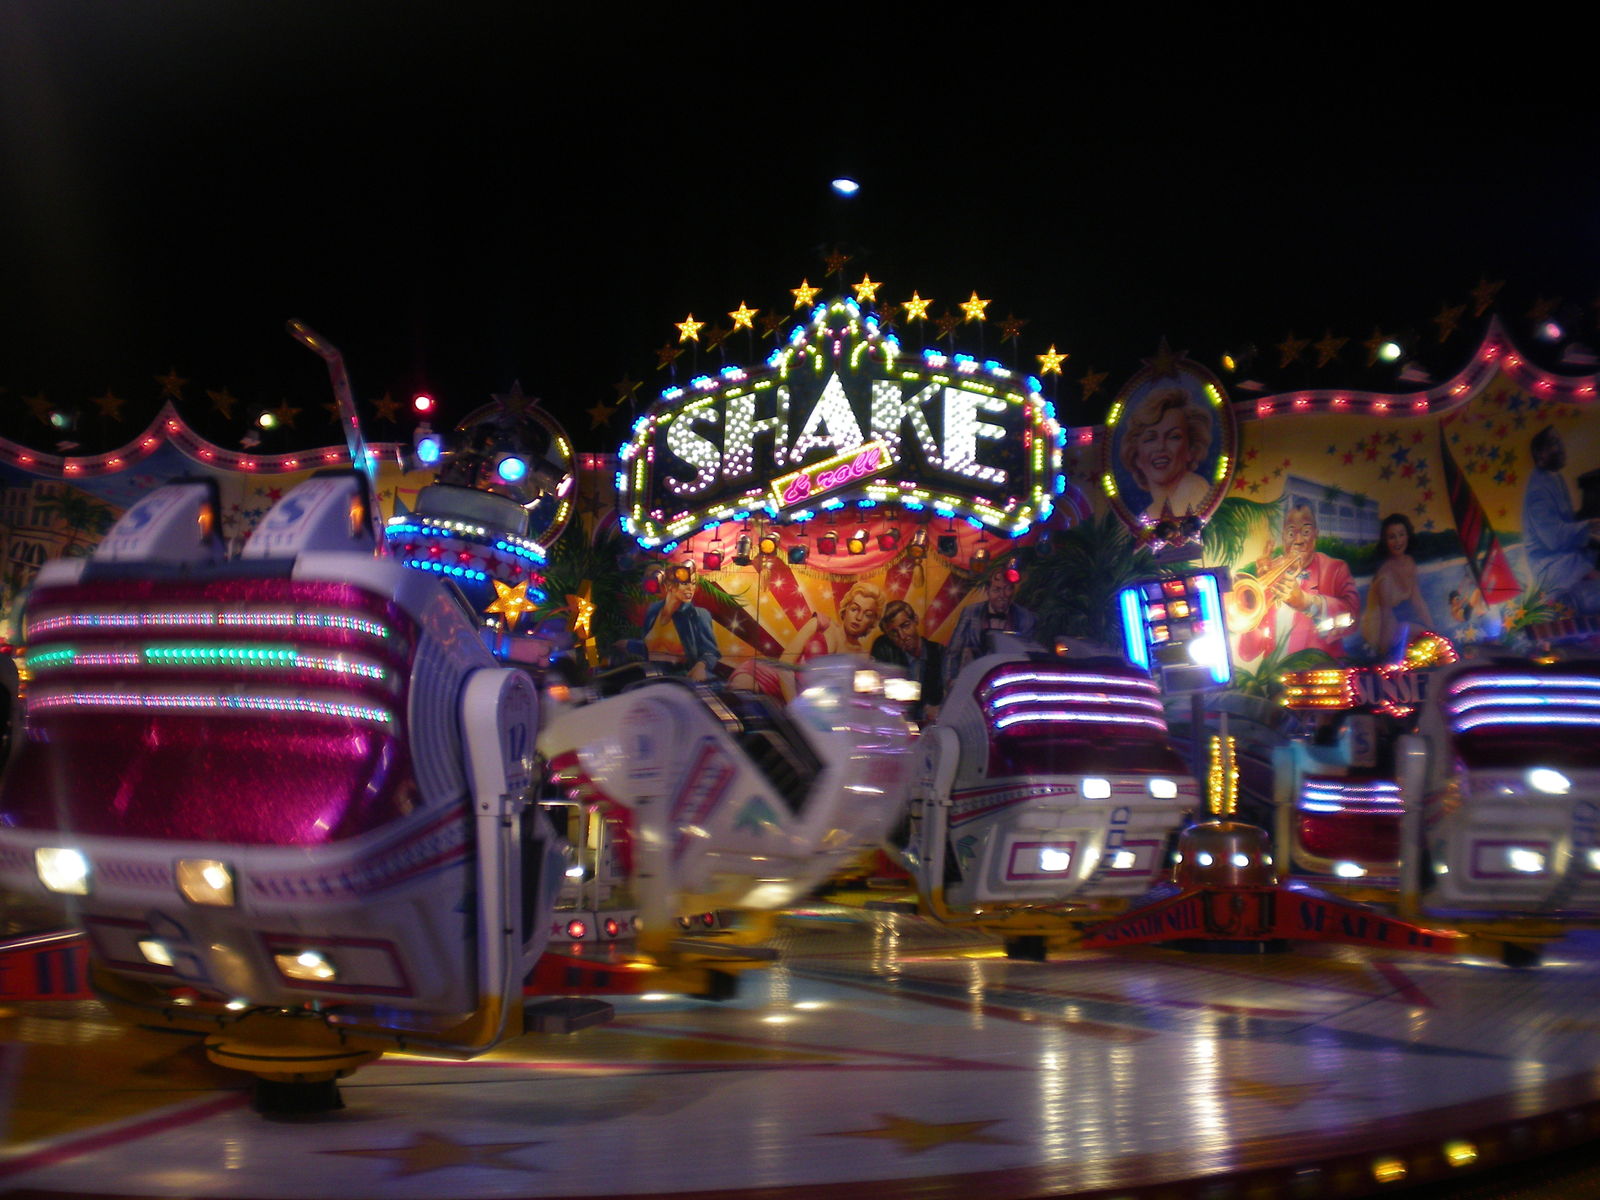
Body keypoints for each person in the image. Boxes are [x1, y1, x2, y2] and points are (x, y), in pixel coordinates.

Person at [1237, 502, 1359, 662]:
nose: (1298, 540)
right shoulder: (1270, 571)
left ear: (1316, 534)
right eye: (1291, 533)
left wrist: (1306, 602)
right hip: (1276, 674)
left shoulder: (1336, 569)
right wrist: (1256, 600)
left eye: (1306, 532)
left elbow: (1353, 619)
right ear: (1283, 537)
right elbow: (1247, 653)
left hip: (1319, 671)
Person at [1521, 426, 1600, 613]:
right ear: (1540, 453)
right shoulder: (1538, 490)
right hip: (1550, 564)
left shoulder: (1553, 477)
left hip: (1564, 555)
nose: (1562, 448)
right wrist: (1589, 526)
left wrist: (1587, 526)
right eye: (1555, 443)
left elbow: (1566, 521)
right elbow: (1553, 538)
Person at [1119, 386, 1213, 521]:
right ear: (1137, 456)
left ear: (1191, 449)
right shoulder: (1149, 514)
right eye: (1150, 439)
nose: (1160, 447)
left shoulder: (1196, 491)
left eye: (1173, 437)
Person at [1360, 513, 1435, 659]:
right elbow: (1385, 615)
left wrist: (1433, 628)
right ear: (1385, 541)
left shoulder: (1409, 562)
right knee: (1423, 640)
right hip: (1377, 628)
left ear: (1408, 535)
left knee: (1430, 637)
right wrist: (1382, 653)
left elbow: (1418, 601)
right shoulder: (1385, 575)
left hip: (1394, 623)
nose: (1398, 541)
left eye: (1401, 534)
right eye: (1392, 537)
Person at [637, 561, 720, 681]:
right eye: (685, 583)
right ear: (669, 585)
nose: (690, 588)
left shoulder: (698, 615)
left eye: (693, 583)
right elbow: (649, 647)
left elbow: (711, 652)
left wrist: (700, 667)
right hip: (651, 677)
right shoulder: (653, 610)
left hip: (681, 679)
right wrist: (628, 645)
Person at [948, 567, 1037, 674]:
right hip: (975, 676)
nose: (1002, 595)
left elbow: (1028, 657)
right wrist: (951, 680)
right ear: (987, 590)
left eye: (1007, 589)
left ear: (1013, 590)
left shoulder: (1026, 617)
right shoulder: (971, 613)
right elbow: (954, 651)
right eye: (996, 590)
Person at [870, 599, 945, 722]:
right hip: (898, 724)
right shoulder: (884, 649)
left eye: (905, 626)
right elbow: (883, 693)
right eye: (894, 633)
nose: (902, 636)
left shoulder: (939, 653)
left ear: (915, 620)